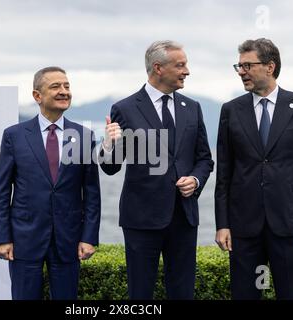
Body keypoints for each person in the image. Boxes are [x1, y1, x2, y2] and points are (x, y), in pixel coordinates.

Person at [99, 40, 214, 299]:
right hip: (141, 219)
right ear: (158, 68)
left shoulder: (192, 107)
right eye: (181, 65)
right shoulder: (125, 109)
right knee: (140, 293)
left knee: (183, 292)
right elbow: (111, 167)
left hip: (184, 216)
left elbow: (205, 159)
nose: (187, 71)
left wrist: (195, 180)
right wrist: (108, 144)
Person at [215, 38, 293, 300]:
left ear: (270, 66)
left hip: (291, 224)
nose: (241, 71)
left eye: (247, 65)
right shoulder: (230, 110)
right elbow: (224, 173)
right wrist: (223, 224)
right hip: (244, 226)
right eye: (238, 66)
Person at [0, 66, 101, 300]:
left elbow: (92, 192)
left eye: (67, 86)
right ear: (37, 96)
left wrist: (89, 237)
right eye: (56, 86)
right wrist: (3, 238)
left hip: (68, 240)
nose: (64, 91)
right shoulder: (14, 135)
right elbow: (2, 191)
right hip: (24, 238)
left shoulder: (84, 136)